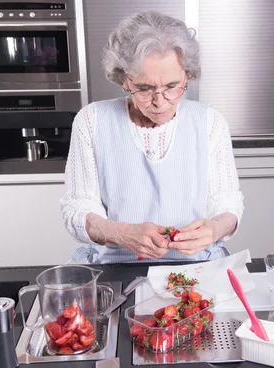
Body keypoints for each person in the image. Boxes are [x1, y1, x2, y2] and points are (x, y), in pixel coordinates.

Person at [60, 11, 243, 264]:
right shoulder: (92, 121)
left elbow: (228, 204)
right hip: (117, 268)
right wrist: (122, 234)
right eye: (145, 88)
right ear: (124, 79)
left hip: (197, 267)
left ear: (187, 75)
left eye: (171, 87)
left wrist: (214, 229)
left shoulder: (210, 122)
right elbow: (76, 209)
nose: (159, 102)